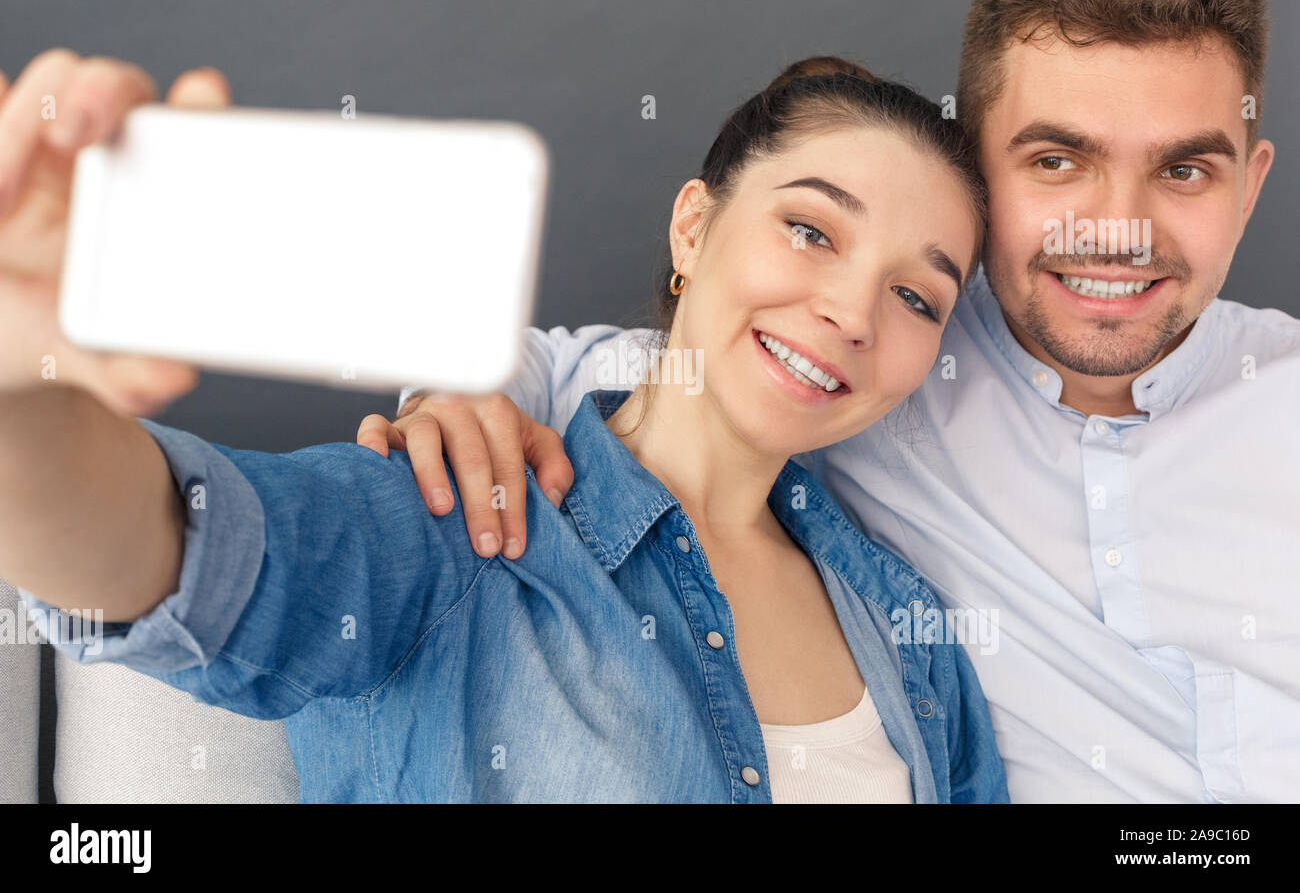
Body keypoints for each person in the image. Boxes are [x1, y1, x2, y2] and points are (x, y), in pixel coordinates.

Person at [365, 0, 1297, 802]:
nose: (1117, 229)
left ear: (1250, 185)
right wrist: (454, 394)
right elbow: (606, 367)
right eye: (1057, 160)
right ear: (976, 177)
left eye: (1184, 173)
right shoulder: (881, 354)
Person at [1, 49, 1007, 801]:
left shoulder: (902, 621)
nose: (852, 312)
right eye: (809, 228)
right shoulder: (457, 520)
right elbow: (166, 559)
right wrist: (24, 387)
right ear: (693, 227)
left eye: (916, 296)